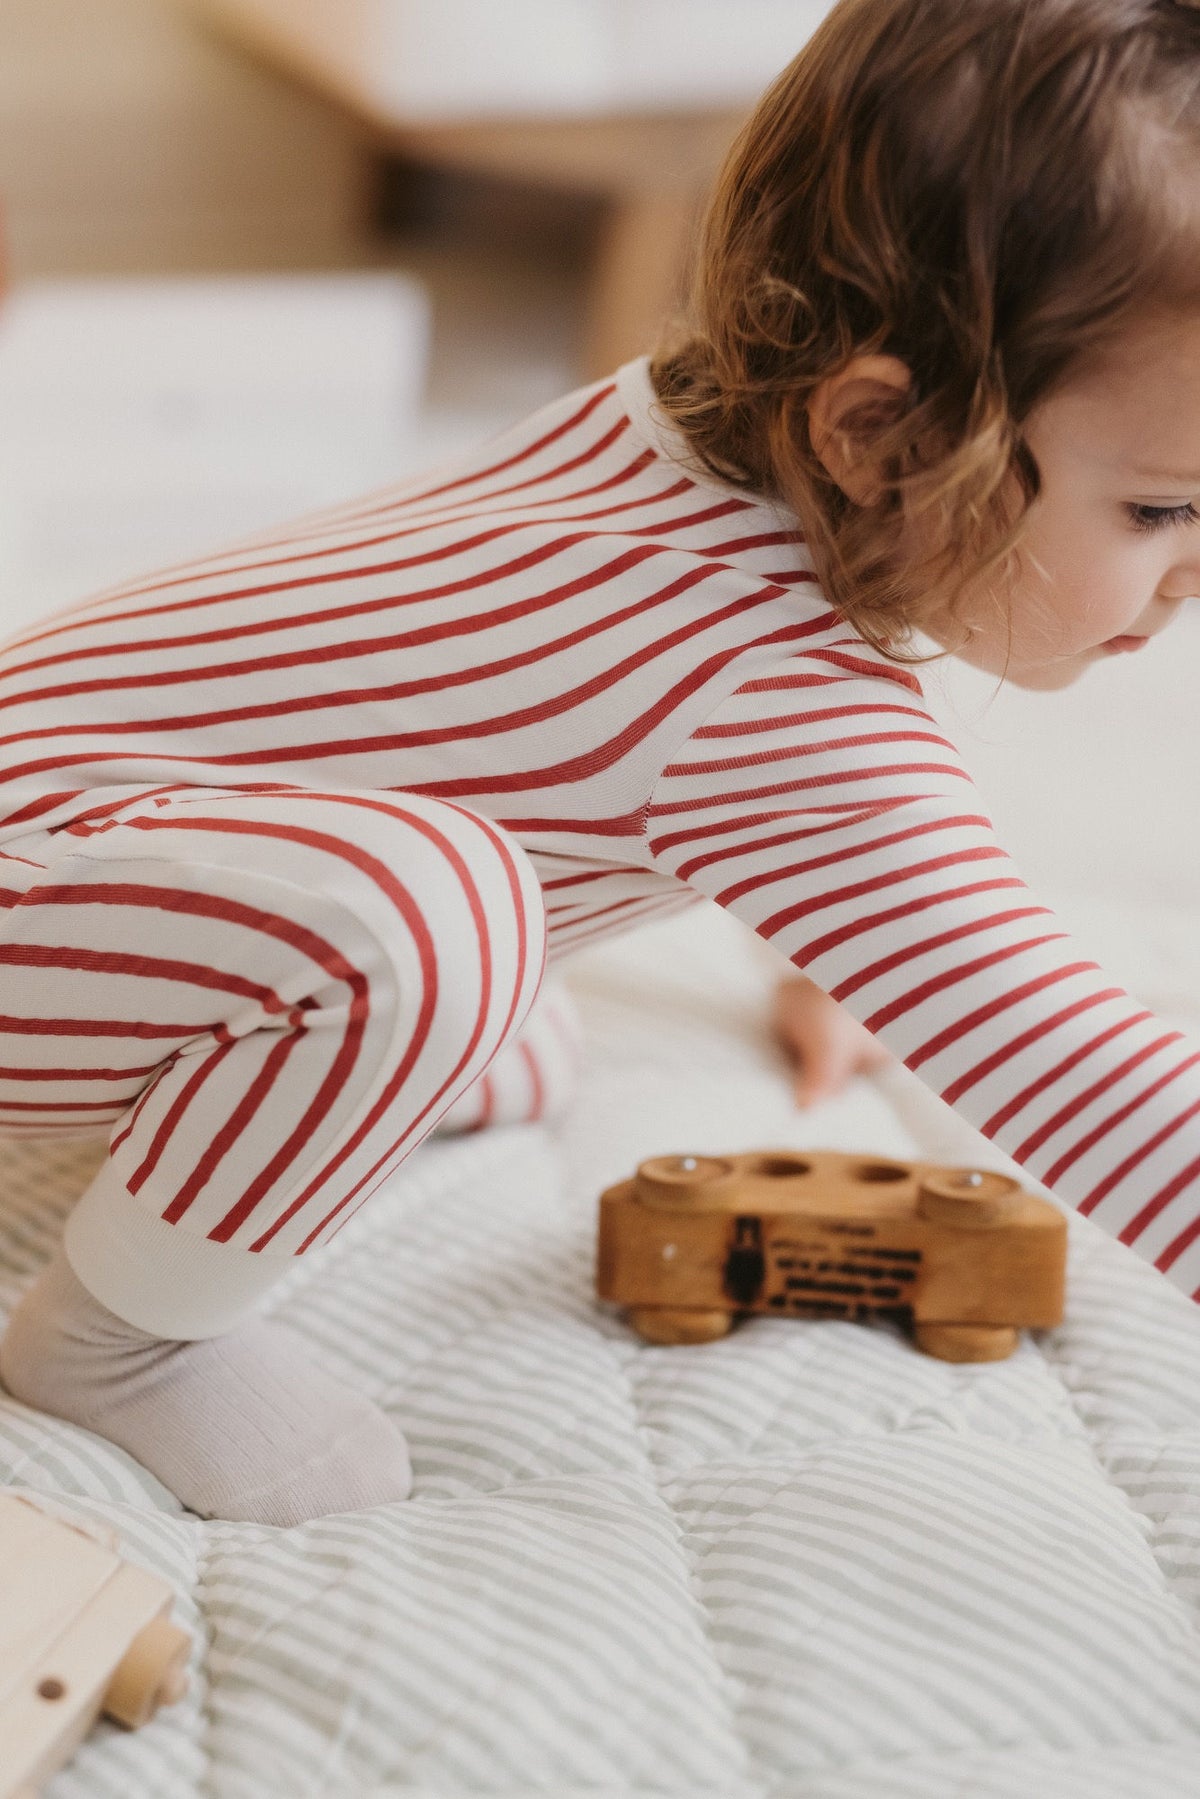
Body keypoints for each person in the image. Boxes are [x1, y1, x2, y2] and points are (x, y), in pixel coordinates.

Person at [2, 0, 1199, 1526]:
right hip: (43, 888)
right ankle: (117, 1344)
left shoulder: (678, 436)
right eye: (1164, 512)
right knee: (435, 919)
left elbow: (720, 755)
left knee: (484, 977)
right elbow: (1097, 1081)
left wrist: (845, 950)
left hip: (91, 821)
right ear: (879, 437)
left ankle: (310, 1015)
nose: (1195, 573)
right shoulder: (771, 698)